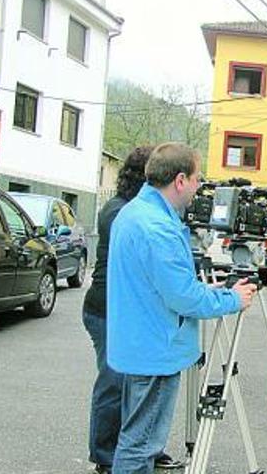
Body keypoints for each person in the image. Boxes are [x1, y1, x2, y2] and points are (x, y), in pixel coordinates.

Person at [107, 142, 258, 474]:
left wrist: (202, 290)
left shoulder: (134, 213)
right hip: (155, 349)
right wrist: (233, 299)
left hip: (139, 343)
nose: (197, 187)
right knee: (141, 443)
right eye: (196, 179)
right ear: (179, 180)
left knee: (135, 437)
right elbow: (182, 298)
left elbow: (158, 284)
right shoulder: (158, 227)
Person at [82, 146, 185, 473]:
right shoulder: (121, 212)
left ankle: (138, 449)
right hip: (107, 311)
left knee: (135, 387)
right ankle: (106, 455)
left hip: (129, 312)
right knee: (114, 384)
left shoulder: (140, 210)